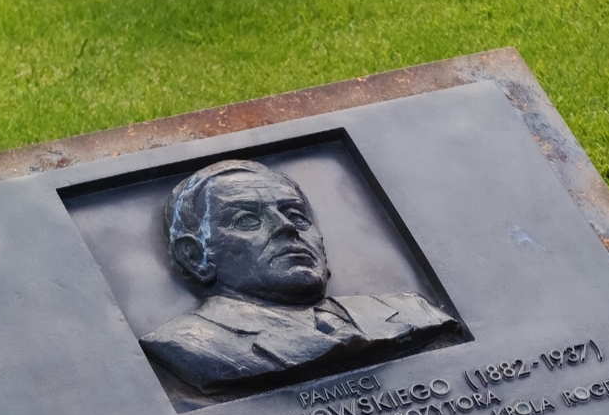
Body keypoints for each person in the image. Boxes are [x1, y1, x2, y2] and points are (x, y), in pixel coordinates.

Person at [140, 158, 457, 392]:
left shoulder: (413, 312)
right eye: (247, 219)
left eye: (295, 214)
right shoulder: (192, 345)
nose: (287, 227)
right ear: (195, 256)